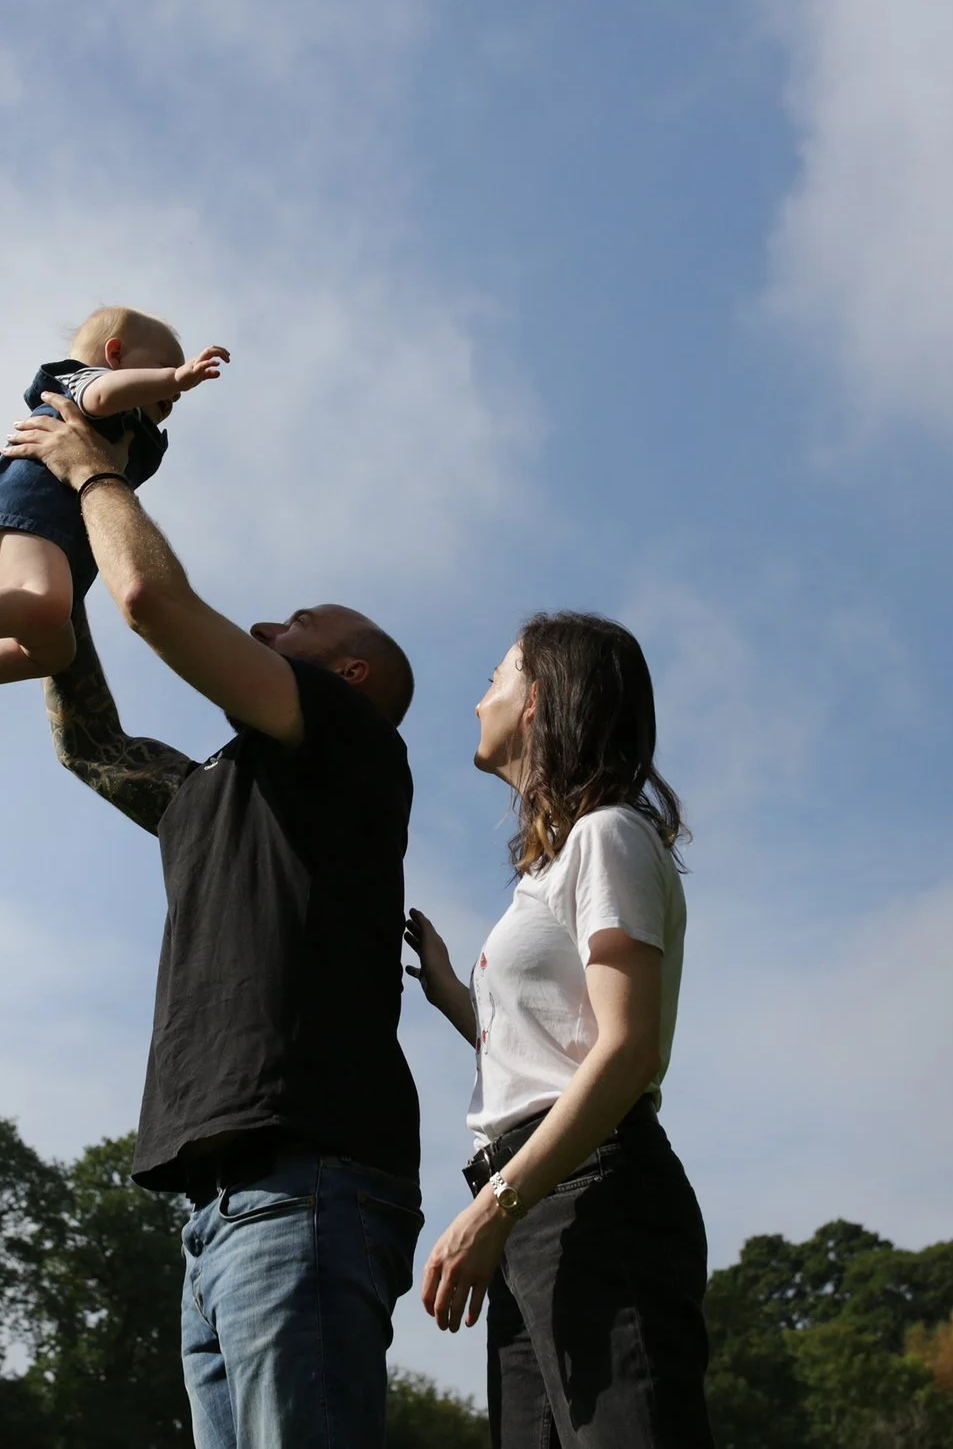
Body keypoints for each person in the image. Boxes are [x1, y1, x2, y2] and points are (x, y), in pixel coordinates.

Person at [4, 391, 424, 1449]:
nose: (268, 627)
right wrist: (59, 556)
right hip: (216, 1216)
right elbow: (90, 743)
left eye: (300, 625)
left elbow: (154, 598)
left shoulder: (349, 743)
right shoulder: (209, 793)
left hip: (307, 1189)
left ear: (349, 670)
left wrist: (93, 469)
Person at [404, 612, 715, 1448]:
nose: (478, 702)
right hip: (539, 1205)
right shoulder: (556, 862)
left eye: (495, 678)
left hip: (591, 1196)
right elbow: (556, 1050)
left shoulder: (608, 836)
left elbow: (627, 1048)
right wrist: (453, 999)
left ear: (539, 700)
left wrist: (495, 1207)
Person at [0, 305, 229, 749]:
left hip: (46, 536)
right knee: (49, 602)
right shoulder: (82, 384)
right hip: (25, 513)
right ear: (115, 355)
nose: (177, 387)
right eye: (164, 364)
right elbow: (105, 395)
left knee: (56, 651)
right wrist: (175, 378)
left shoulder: (134, 431)